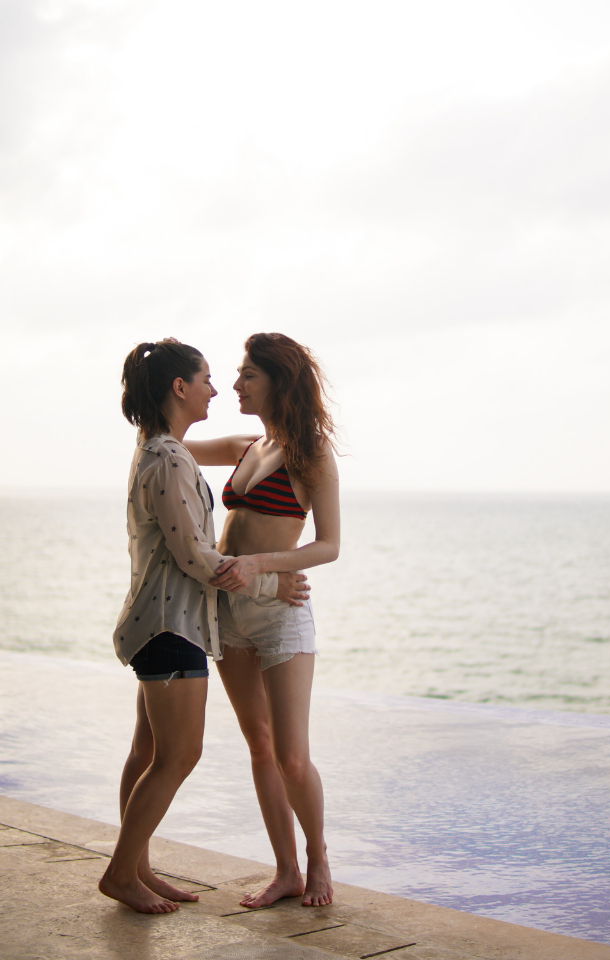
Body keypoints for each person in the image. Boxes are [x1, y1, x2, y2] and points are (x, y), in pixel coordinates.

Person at [99, 339, 305, 914]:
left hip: (161, 622)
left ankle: (136, 869)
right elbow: (195, 556)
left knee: (147, 750)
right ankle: (122, 873)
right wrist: (273, 582)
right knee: (178, 755)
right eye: (208, 379)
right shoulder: (167, 460)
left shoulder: (162, 449)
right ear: (179, 389)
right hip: (171, 627)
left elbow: (238, 451)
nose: (217, 389)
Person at [184, 332, 340, 909]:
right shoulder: (250, 446)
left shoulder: (311, 453)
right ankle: (285, 871)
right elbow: (176, 444)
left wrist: (259, 564)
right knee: (259, 746)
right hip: (227, 615)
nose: (236, 385)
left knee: (291, 755)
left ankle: (319, 857)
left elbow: (328, 546)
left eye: (248, 374)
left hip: (280, 612)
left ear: (279, 381)